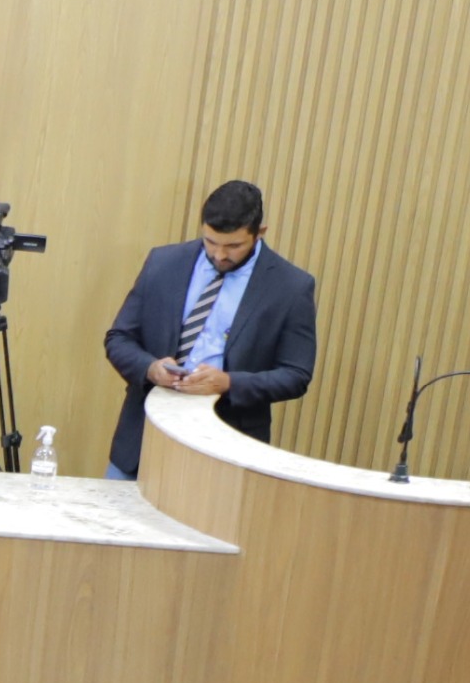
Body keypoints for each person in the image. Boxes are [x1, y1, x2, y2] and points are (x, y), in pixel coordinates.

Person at [102, 180, 318, 480]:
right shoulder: (163, 263)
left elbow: (295, 375)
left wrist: (228, 382)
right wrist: (151, 369)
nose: (219, 255)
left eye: (234, 246)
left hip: (228, 442)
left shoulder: (290, 287)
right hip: (142, 439)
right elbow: (119, 338)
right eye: (211, 242)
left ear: (260, 233)